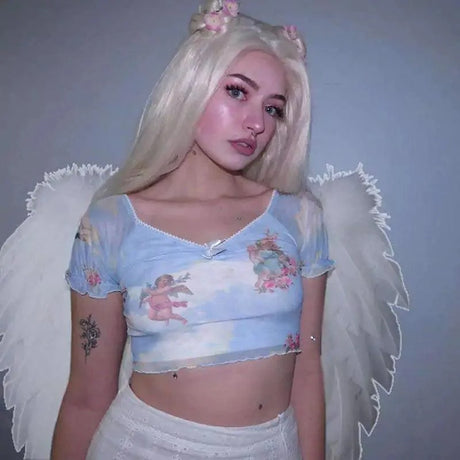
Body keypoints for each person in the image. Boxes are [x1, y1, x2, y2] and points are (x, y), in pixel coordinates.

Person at [50, 1, 334, 459]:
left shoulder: (298, 217)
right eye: (237, 92)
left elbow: (308, 370)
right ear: (192, 86)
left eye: (273, 109)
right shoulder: (109, 224)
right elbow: (86, 396)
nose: (257, 123)